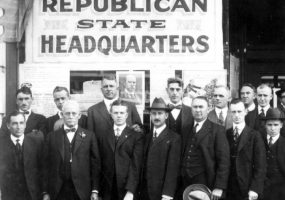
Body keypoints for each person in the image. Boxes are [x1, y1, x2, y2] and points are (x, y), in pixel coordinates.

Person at [43, 100, 101, 200]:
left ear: (79, 115)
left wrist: (95, 190)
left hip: (82, 190)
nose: (70, 116)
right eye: (67, 113)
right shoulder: (51, 137)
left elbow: (95, 164)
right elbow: (45, 165)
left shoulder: (89, 136)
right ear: (62, 114)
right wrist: (45, 192)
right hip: (57, 190)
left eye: (74, 113)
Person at [180, 96, 230, 200]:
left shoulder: (217, 130)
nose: (198, 110)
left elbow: (224, 161)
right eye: (195, 107)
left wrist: (219, 187)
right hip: (185, 183)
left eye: (201, 107)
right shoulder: (185, 129)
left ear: (208, 109)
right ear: (191, 109)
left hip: (206, 182)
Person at [98, 100, 144, 200]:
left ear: (126, 115)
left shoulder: (136, 136)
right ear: (111, 114)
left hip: (126, 187)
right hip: (107, 188)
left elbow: (136, 166)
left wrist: (130, 191)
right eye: (116, 113)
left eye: (122, 113)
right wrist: (97, 189)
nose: (119, 116)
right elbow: (99, 162)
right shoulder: (103, 134)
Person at [140, 97, 181, 200]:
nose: (156, 117)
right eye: (153, 113)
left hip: (162, 193)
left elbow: (173, 169)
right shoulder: (147, 137)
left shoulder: (174, 138)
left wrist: (167, 194)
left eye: (160, 113)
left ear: (166, 115)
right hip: (145, 192)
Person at [225, 99, 266, 200]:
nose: (237, 115)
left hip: (247, 187)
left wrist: (255, 188)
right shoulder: (224, 134)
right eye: (233, 112)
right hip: (228, 187)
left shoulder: (255, 135)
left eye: (239, 111)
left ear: (245, 112)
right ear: (229, 113)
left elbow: (260, 165)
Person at [0, 111, 44, 200]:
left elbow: (43, 169)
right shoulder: (1, 144)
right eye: (15, 123)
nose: (19, 127)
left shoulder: (36, 143)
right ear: (8, 126)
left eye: (21, 123)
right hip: (9, 195)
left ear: (25, 125)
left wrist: (44, 192)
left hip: (32, 194)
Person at [262, 108, 285, 200]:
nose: (272, 128)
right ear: (265, 125)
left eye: (276, 125)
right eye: (269, 125)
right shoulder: (258, 140)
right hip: (262, 188)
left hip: (281, 189)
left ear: (281, 125)